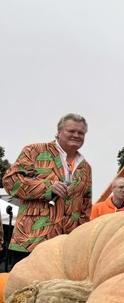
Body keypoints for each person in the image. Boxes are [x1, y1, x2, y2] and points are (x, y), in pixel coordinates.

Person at [2, 113, 92, 265]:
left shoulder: (85, 167)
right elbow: (10, 182)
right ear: (59, 132)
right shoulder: (34, 151)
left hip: (67, 247)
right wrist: (47, 187)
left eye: (81, 133)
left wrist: (80, 241)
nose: (76, 135)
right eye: (71, 131)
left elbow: (85, 205)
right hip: (32, 242)